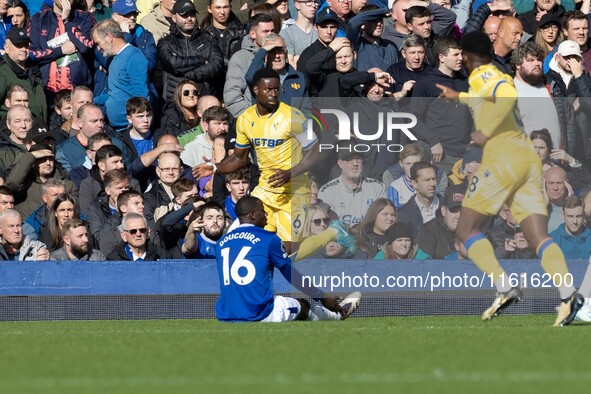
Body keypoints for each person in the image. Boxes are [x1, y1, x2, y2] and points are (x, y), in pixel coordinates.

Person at [438, 31, 584, 326]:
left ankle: (503, 286)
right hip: (527, 160)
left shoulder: (483, 73)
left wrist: (486, 131)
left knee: (465, 230)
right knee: (536, 236)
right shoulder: (486, 78)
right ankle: (569, 294)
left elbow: (505, 96)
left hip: (503, 160)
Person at [194, 68, 320, 254]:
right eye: (268, 90)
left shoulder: (294, 116)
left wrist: (290, 172)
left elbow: (316, 151)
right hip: (266, 190)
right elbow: (239, 158)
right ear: (255, 90)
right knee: (251, 238)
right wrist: (214, 167)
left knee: (286, 250)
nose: (273, 94)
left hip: (295, 191)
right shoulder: (245, 119)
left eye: (276, 89)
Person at [215, 195, 361, 322]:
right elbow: (290, 273)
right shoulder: (268, 239)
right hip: (260, 313)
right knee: (303, 306)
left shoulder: (222, 242)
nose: (266, 214)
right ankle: (339, 314)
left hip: (226, 314)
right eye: (262, 211)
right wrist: (321, 297)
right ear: (252, 215)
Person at [157, 0, 224, 101]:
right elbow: (172, 63)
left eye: (192, 14)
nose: (189, 19)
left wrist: (188, 75)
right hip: (174, 103)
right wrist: (201, 60)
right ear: (174, 18)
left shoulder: (208, 40)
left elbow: (217, 65)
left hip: (204, 100)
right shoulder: (166, 42)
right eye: (184, 15)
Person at [92, 19, 151, 132]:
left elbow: (141, 96)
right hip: (116, 128)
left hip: (129, 129)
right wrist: (93, 101)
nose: (98, 48)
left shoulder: (133, 57)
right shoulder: (115, 59)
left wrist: (135, 127)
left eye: (98, 43)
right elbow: (117, 92)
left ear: (109, 37)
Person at [29, 0, 94, 97]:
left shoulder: (85, 17)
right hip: (47, 88)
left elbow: (86, 47)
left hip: (77, 89)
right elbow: (32, 54)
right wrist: (60, 51)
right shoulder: (38, 18)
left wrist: (66, 21)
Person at [5, 142, 78, 220]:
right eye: (42, 159)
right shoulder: (25, 183)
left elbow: (77, 211)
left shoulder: (68, 185)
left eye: (50, 159)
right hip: (29, 229)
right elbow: (12, 185)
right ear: (33, 162)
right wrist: (30, 156)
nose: (48, 163)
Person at [224, 13, 276, 118]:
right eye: (266, 31)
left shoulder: (279, 55)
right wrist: (253, 118)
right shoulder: (240, 58)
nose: (270, 35)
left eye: (273, 31)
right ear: (253, 34)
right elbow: (232, 98)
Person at [318, 150, 385, 226]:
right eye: (350, 160)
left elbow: (384, 218)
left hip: (369, 235)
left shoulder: (377, 187)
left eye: (358, 159)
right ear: (340, 163)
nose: (355, 164)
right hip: (340, 236)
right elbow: (324, 222)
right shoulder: (327, 191)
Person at [0, 27, 47, 121]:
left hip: (40, 130)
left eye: (26, 45)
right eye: (18, 45)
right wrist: (7, 127)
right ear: (6, 48)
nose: (23, 49)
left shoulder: (34, 70)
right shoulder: (2, 72)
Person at [415, 184, 465, 259]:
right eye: (454, 210)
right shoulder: (428, 231)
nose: (458, 216)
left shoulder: (472, 231)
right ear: (444, 210)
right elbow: (420, 265)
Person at [397, 161, 440, 238]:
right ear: (414, 184)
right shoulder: (403, 214)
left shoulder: (447, 206)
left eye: (434, 179)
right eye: (427, 180)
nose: (432, 184)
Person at [550, 196, 591, 260]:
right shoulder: (551, 240)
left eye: (578, 216)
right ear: (563, 216)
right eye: (570, 216)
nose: (575, 221)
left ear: (583, 215)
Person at [280, 0, 318, 69]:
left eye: (316, 2)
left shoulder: (322, 32)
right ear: (297, 5)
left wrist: (299, 59)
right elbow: (290, 65)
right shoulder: (286, 34)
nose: (313, 5)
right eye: (308, 2)